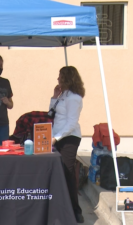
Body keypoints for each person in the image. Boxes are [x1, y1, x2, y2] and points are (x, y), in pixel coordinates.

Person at [50, 66, 85, 223]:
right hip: (57, 136)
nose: (58, 79)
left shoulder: (74, 98)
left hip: (69, 138)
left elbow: (71, 123)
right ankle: (61, 206)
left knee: (67, 172)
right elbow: (51, 113)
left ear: (67, 78)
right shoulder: (62, 95)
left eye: (60, 76)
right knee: (58, 171)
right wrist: (54, 97)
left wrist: (56, 138)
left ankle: (75, 210)